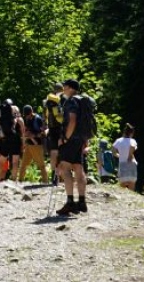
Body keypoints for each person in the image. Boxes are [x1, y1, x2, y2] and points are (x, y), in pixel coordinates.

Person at [56, 79, 88, 215]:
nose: (63, 88)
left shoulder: (71, 101)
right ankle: (82, 202)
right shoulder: (82, 101)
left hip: (71, 140)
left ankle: (70, 203)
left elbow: (72, 120)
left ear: (69, 88)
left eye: (64, 86)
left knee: (65, 168)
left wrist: (65, 138)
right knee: (79, 169)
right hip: (80, 139)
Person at [18, 104, 48, 182]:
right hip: (29, 144)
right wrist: (26, 134)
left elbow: (43, 132)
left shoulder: (38, 119)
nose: (27, 116)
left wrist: (33, 135)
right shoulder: (27, 119)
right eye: (26, 115)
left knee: (41, 165)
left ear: (31, 112)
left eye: (28, 115)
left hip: (37, 145)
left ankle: (45, 181)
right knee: (23, 164)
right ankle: (20, 180)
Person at [0, 104, 23, 182]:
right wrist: (23, 143)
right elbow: (23, 133)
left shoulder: (3, 120)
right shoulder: (19, 119)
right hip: (15, 140)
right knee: (15, 162)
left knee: (1, 162)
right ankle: (14, 179)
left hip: (5, 140)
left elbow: (1, 134)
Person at [44, 82, 64, 182]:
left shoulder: (49, 101)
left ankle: (54, 175)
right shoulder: (60, 100)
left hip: (51, 129)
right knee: (62, 152)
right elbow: (59, 117)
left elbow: (47, 116)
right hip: (60, 129)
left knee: (53, 152)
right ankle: (61, 175)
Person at [113, 124, 138, 191]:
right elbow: (132, 146)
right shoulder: (132, 140)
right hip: (131, 162)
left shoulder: (118, 141)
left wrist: (120, 156)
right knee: (131, 183)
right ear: (131, 133)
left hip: (122, 163)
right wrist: (129, 155)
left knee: (122, 183)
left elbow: (113, 151)